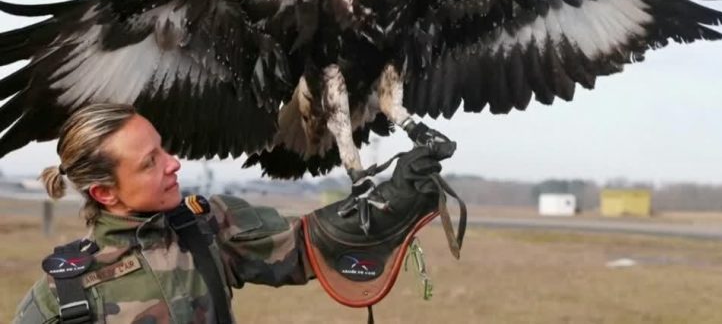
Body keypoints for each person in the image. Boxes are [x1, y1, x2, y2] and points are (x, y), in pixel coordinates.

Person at [12, 103, 456, 323]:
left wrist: (390, 201)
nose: (173, 163)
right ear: (104, 193)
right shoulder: (62, 297)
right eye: (149, 162)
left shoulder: (208, 226)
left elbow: (308, 244)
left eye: (163, 148)